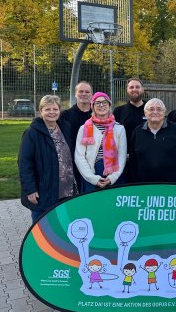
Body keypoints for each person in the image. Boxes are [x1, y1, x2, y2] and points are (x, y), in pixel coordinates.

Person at [18, 95, 77, 224]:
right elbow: (25, 163)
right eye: (47, 109)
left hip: (66, 188)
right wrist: (30, 189)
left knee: (62, 225)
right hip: (44, 189)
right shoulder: (32, 133)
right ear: (41, 111)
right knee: (42, 226)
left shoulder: (65, 128)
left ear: (59, 111)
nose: (52, 112)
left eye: (55, 109)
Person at [128, 98, 176, 183]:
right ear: (145, 112)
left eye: (159, 109)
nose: (155, 112)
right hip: (144, 186)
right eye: (151, 109)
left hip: (173, 185)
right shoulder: (137, 132)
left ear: (164, 112)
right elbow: (133, 160)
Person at [74, 92, 127, 193]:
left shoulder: (119, 129)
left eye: (104, 102)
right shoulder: (84, 129)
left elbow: (122, 156)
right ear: (92, 106)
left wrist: (112, 178)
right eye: (97, 103)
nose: (101, 105)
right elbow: (79, 156)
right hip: (91, 175)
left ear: (109, 105)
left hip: (114, 175)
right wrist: (93, 178)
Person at [60, 81, 93, 192]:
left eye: (87, 92)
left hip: (93, 162)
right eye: (81, 91)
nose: (84, 94)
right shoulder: (65, 115)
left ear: (91, 94)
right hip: (72, 163)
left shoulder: (98, 115)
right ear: (75, 94)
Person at [113, 77, 146, 184]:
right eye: (131, 87)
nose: (134, 89)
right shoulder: (119, 111)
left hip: (146, 160)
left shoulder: (151, 109)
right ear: (127, 90)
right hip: (125, 161)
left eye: (137, 87)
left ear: (142, 89)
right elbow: (113, 136)